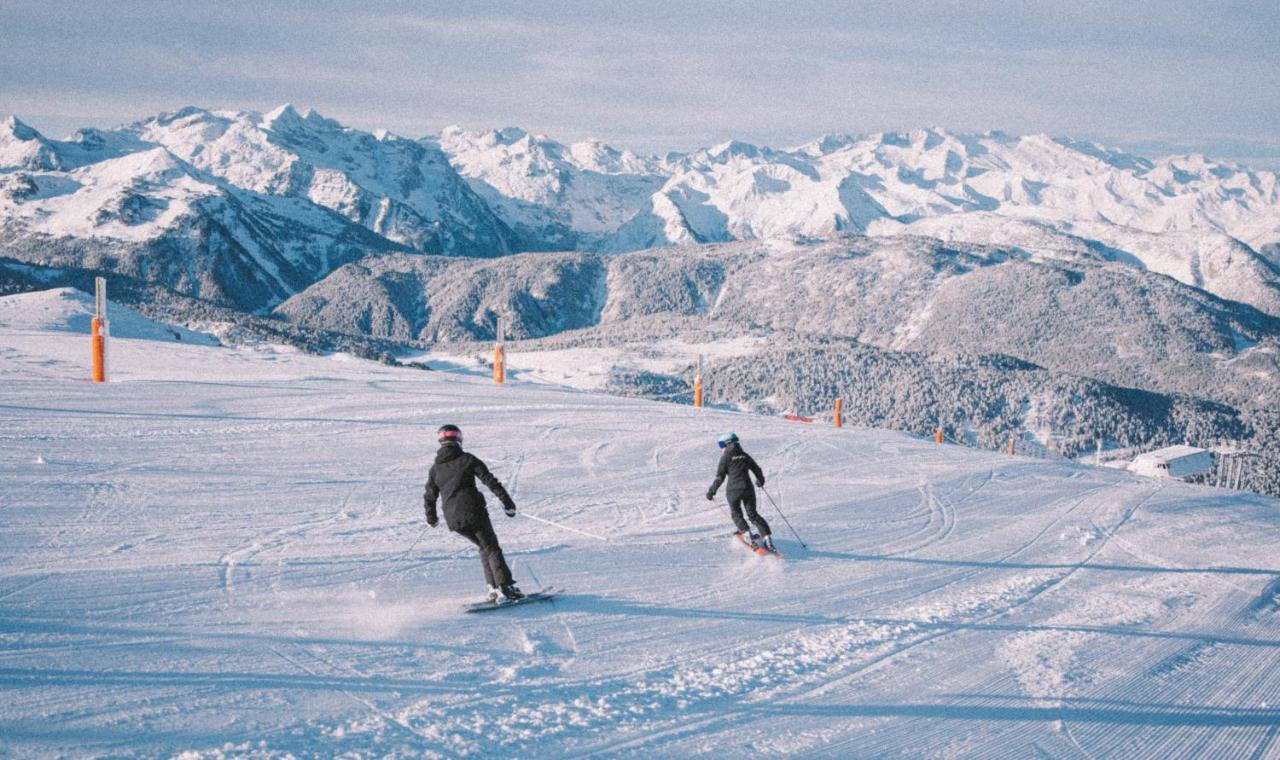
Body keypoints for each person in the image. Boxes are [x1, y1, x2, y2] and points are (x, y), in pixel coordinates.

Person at [424, 424, 524, 602]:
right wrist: (507, 503)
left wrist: (431, 518)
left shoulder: (435, 469)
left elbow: (429, 496)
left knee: (484, 547)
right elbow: (490, 481)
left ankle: (493, 587)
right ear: (459, 439)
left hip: (453, 519)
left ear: (440, 441)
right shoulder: (467, 459)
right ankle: (505, 587)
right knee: (491, 547)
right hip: (473, 512)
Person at [705, 432, 774, 551]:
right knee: (753, 514)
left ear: (727, 443)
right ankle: (767, 539)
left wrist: (711, 491)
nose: (721, 448)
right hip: (748, 488)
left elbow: (720, 477)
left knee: (736, 513)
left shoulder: (725, 457)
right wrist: (760, 481)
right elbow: (757, 469)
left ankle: (747, 536)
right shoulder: (745, 455)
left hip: (733, 490)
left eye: (721, 445)